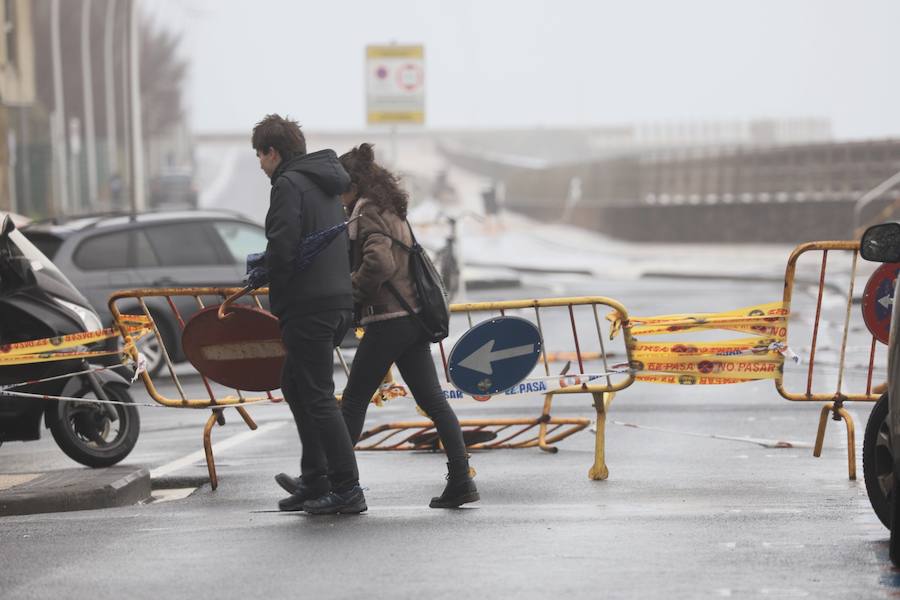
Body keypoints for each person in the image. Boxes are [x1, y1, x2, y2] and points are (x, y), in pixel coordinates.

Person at [338, 143, 479, 509]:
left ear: (353, 184)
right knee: (434, 402)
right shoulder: (390, 208)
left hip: (388, 319)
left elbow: (380, 263)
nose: (338, 196)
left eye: (340, 187)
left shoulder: (367, 211)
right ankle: (461, 480)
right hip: (412, 318)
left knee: (353, 401)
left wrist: (351, 290)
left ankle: (332, 481)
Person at [252, 114, 366, 515]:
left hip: (308, 305)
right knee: (295, 384)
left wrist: (271, 279)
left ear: (273, 152)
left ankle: (347, 487)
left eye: (260, 155)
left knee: (316, 395)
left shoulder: (288, 184)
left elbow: (283, 245)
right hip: (335, 300)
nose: (260, 164)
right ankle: (315, 478)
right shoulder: (325, 183)